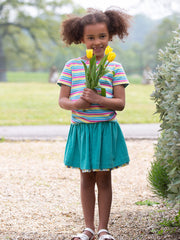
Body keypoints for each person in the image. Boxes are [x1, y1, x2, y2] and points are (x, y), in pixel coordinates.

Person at [57, 8, 131, 240]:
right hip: (82, 130)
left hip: (104, 130)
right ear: (81, 38)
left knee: (104, 178)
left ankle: (103, 229)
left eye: (102, 36)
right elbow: (62, 101)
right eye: (91, 38)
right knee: (86, 178)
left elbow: (120, 104)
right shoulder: (71, 66)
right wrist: (77, 104)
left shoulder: (114, 67)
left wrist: (99, 100)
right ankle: (88, 228)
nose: (97, 42)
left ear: (110, 36)